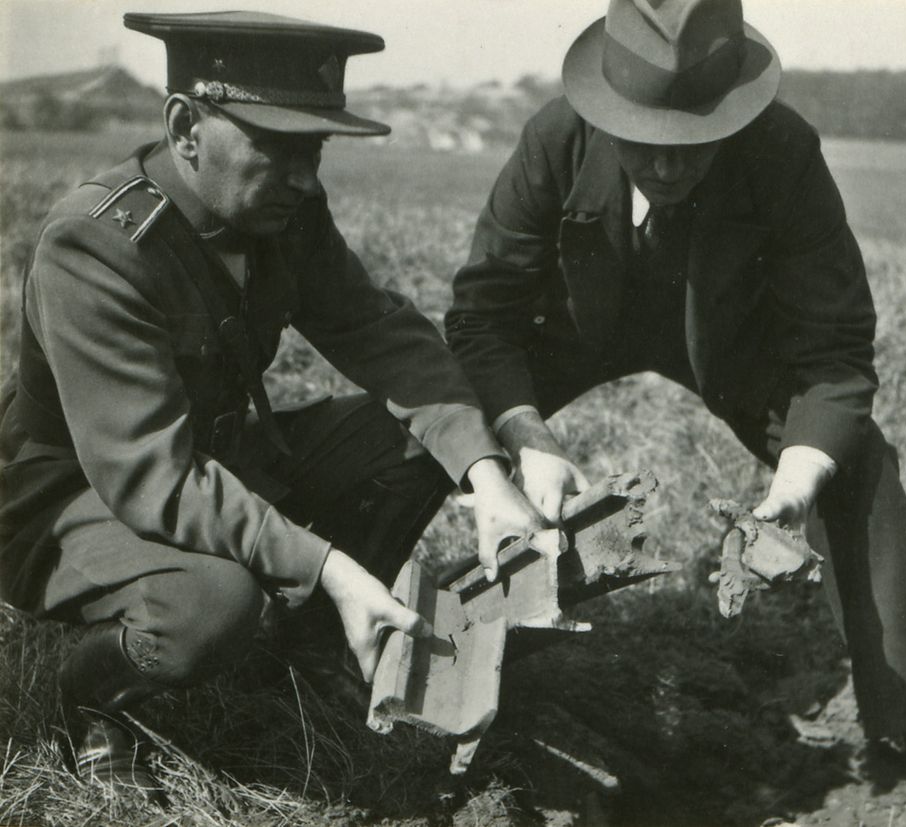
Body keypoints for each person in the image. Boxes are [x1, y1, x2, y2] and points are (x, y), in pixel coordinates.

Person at [0, 11, 542, 800]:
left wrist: (486, 474)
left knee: (422, 437)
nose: (304, 177)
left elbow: (377, 332)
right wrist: (328, 564)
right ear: (185, 126)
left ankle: (319, 638)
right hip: (70, 491)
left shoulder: (280, 212)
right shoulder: (96, 248)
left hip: (209, 456)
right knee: (209, 606)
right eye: (276, 145)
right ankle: (96, 699)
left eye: (313, 149)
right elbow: (156, 476)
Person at [445, 0, 906, 819]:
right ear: (605, 113)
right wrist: (522, 440)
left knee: (859, 468)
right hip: (570, 331)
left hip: (734, 344)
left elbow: (835, 352)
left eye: (691, 146)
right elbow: (480, 318)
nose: (667, 169)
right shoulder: (553, 137)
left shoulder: (782, 152)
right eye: (644, 143)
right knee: (422, 425)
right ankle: (357, 638)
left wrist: (795, 484)